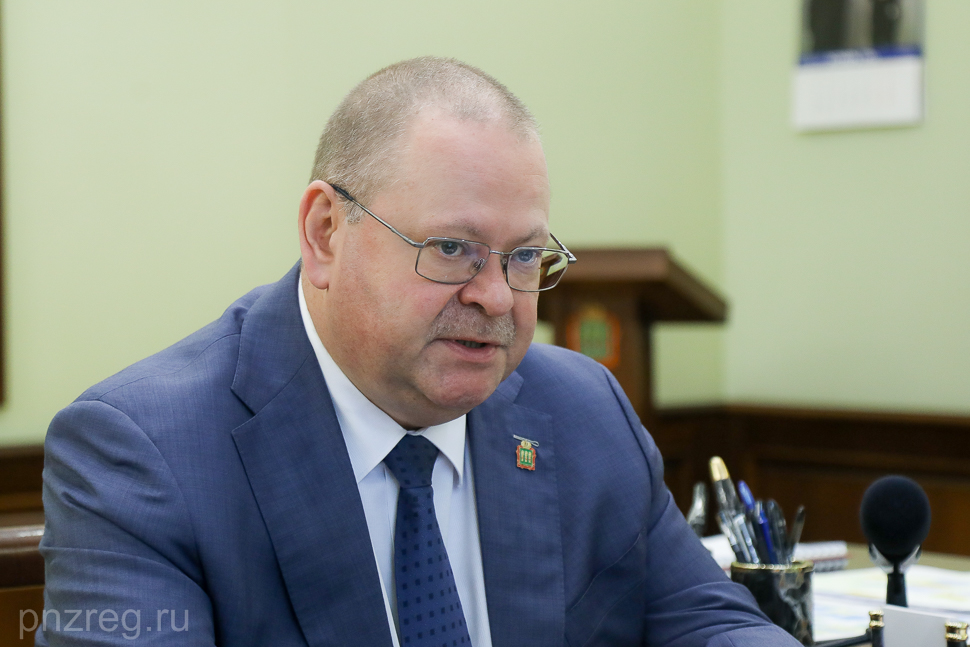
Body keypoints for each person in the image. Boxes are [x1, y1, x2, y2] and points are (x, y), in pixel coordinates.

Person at [38, 57, 800, 646]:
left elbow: (709, 621)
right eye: (452, 248)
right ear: (325, 233)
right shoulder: (145, 452)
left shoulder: (581, 409)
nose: (496, 296)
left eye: (524, 256)